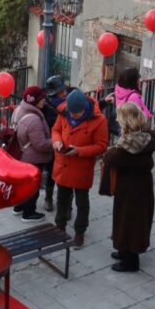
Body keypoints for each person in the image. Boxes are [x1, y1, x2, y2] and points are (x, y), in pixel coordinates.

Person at [103, 103, 155, 273]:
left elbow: (111, 158)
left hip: (130, 188)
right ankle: (124, 251)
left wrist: (111, 150)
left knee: (129, 222)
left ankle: (130, 261)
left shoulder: (127, 146)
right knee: (132, 220)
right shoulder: (148, 135)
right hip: (141, 185)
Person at [51, 90, 109, 247]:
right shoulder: (64, 112)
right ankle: (60, 227)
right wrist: (56, 142)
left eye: (78, 113)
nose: (74, 115)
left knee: (82, 202)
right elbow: (56, 130)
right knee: (62, 199)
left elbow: (102, 146)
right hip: (63, 164)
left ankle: (79, 231)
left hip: (81, 167)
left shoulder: (99, 121)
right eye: (72, 112)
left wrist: (80, 151)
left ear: (85, 108)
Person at [11, 86, 52, 222]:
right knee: (33, 186)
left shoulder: (18, 110)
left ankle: (19, 207)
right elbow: (40, 144)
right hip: (32, 158)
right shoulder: (34, 119)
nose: (44, 101)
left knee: (23, 183)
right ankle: (29, 213)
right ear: (34, 101)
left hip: (21, 154)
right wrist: (56, 142)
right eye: (41, 99)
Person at [41, 75, 70, 212]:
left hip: (69, 142)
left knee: (68, 174)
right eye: (60, 91)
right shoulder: (46, 105)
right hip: (54, 143)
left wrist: (102, 102)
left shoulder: (70, 100)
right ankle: (48, 197)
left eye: (63, 90)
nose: (64, 93)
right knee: (52, 171)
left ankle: (67, 204)